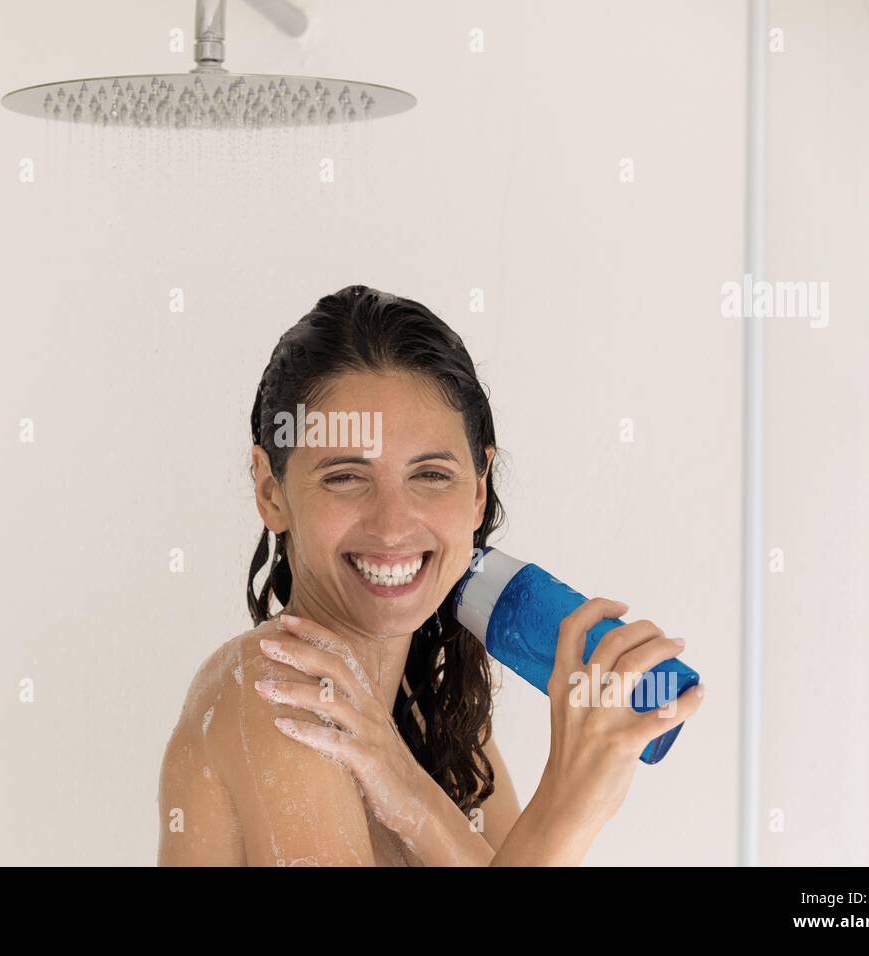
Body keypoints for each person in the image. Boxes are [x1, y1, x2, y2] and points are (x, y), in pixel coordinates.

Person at [157, 285, 704, 865]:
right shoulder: (280, 693)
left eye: (432, 475)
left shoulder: (430, 718)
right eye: (345, 476)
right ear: (271, 491)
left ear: (478, 491)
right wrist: (571, 806)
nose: (392, 527)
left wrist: (411, 791)